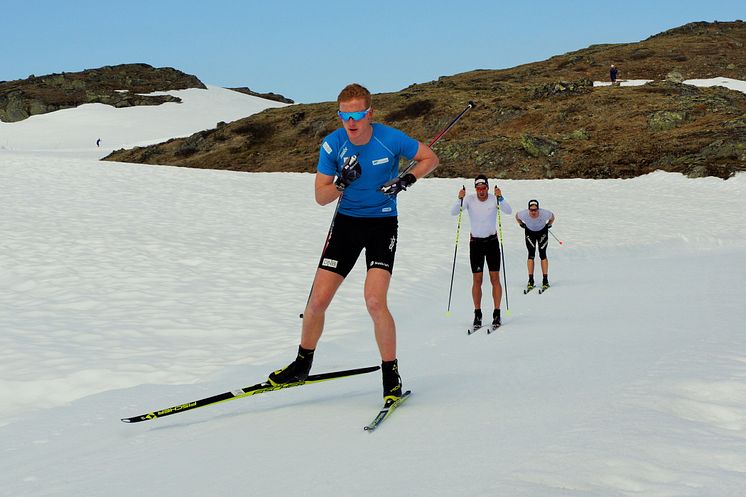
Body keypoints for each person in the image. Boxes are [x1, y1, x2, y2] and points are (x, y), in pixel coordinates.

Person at [267, 83, 439, 403]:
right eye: (344, 115)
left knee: (374, 301)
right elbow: (321, 196)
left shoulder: (390, 139)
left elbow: (429, 157)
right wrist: (341, 183)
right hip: (346, 225)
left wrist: (405, 180)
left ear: (370, 113)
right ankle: (301, 365)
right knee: (317, 301)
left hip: (381, 225)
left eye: (358, 114)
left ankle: (391, 376)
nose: (351, 121)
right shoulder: (332, 145)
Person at [450, 175, 511, 330]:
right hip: (476, 243)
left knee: (494, 278)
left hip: (492, 242)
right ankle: (478, 313)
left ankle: (497, 312)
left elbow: (508, 211)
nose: (481, 191)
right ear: (475, 189)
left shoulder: (493, 199)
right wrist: (459, 198)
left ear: (488, 188)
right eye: (478, 189)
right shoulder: (469, 200)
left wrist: (500, 197)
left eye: (484, 188)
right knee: (477, 280)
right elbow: (453, 212)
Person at [515, 199, 555, 290]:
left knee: (543, 254)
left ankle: (545, 280)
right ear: (528, 209)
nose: (533, 212)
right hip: (530, 233)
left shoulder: (544, 213)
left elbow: (552, 217)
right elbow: (517, 216)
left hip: (542, 232)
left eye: (535, 210)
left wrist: (549, 224)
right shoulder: (524, 214)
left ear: (538, 209)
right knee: (531, 255)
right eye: (531, 210)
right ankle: (530, 280)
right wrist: (521, 224)